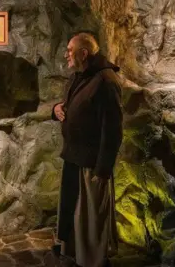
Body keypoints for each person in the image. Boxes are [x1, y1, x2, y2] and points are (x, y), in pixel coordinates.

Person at [51, 32, 123, 267]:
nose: (66, 55)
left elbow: (112, 129)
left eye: (70, 50)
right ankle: (72, 251)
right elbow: (71, 104)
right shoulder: (80, 76)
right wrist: (58, 109)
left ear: (84, 53)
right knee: (72, 209)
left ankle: (91, 260)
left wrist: (102, 170)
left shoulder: (106, 81)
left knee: (89, 216)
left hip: (91, 162)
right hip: (73, 155)